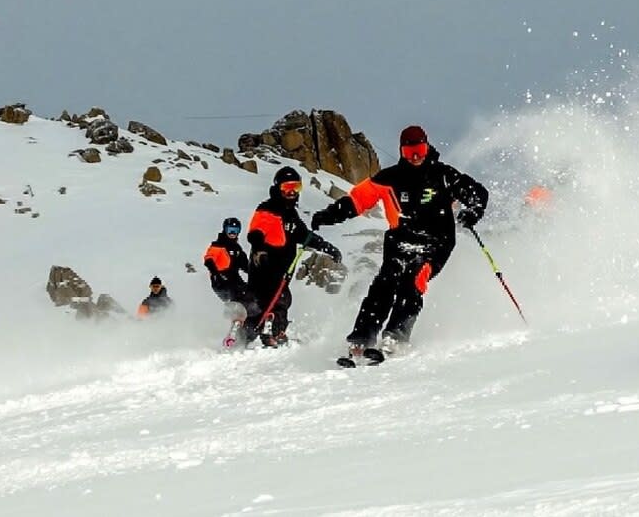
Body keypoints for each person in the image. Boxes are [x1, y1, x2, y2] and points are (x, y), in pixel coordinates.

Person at [311, 125, 488, 355]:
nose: (415, 157)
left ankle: (396, 335)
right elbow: (356, 201)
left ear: (427, 148)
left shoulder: (443, 175)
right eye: (409, 152)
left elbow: (477, 193)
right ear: (401, 151)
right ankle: (362, 337)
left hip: (437, 242)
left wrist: (473, 211)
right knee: (384, 283)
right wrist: (328, 215)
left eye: (420, 150)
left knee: (415, 279)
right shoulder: (390, 178)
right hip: (399, 241)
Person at [246, 166, 342, 347]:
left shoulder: (292, 215)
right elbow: (255, 232)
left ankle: (254, 333)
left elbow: (305, 236)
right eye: (286, 188)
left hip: (282, 268)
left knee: (271, 301)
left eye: (296, 188)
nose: (291, 193)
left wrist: (328, 248)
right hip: (265, 265)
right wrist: (259, 249)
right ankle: (271, 331)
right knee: (278, 299)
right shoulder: (267, 209)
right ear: (277, 188)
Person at [204, 217, 249, 303]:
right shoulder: (218, 245)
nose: (232, 233)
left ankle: (256, 312)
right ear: (225, 230)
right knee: (234, 294)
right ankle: (232, 312)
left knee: (249, 292)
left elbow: (245, 265)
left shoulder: (237, 248)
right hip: (220, 279)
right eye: (230, 230)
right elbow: (208, 259)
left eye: (235, 230)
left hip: (234, 278)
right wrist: (215, 273)